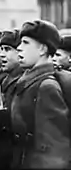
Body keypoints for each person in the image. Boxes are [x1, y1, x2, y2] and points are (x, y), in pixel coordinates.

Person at [12, 20, 71, 169]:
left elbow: (53, 149)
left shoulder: (46, 87)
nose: (19, 48)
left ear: (43, 49)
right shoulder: (29, 80)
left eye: (25, 43)